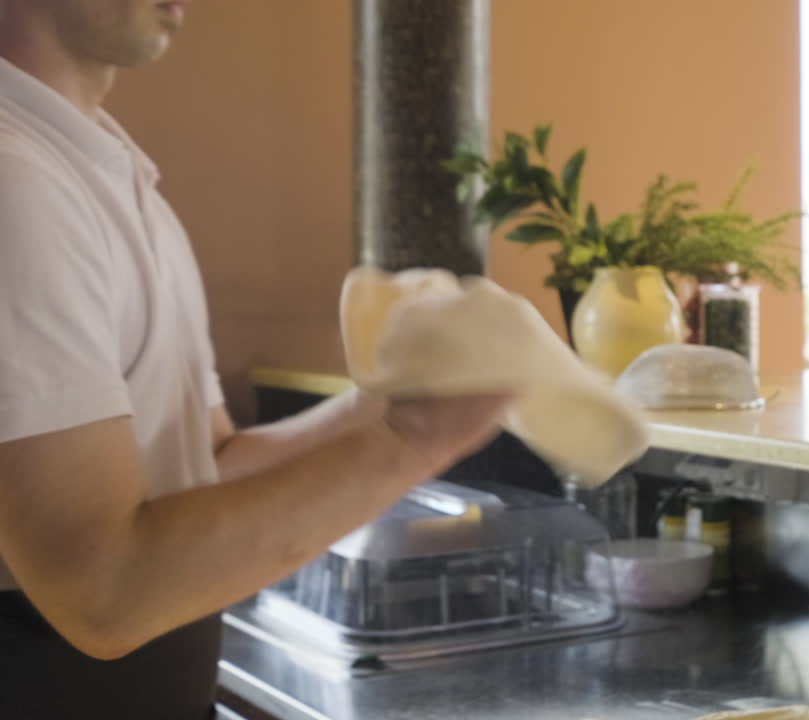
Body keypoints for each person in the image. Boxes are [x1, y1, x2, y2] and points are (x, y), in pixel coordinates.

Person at [0, 1, 513, 717]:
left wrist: (390, 402)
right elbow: (101, 594)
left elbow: (213, 461)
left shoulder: (110, 176)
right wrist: (419, 437)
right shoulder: (16, 183)